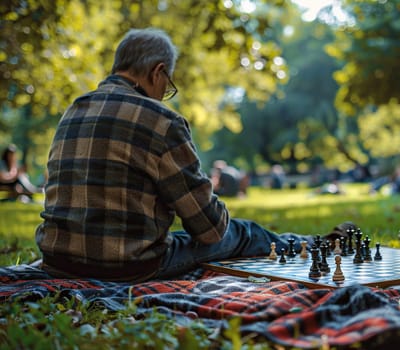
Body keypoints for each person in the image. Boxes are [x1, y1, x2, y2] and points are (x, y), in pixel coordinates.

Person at [35, 28, 314, 282]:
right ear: (158, 72)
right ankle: (307, 244)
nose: (164, 93)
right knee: (244, 233)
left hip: (58, 259)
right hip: (126, 265)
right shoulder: (161, 121)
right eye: (168, 84)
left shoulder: (74, 110)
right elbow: (210, 229)